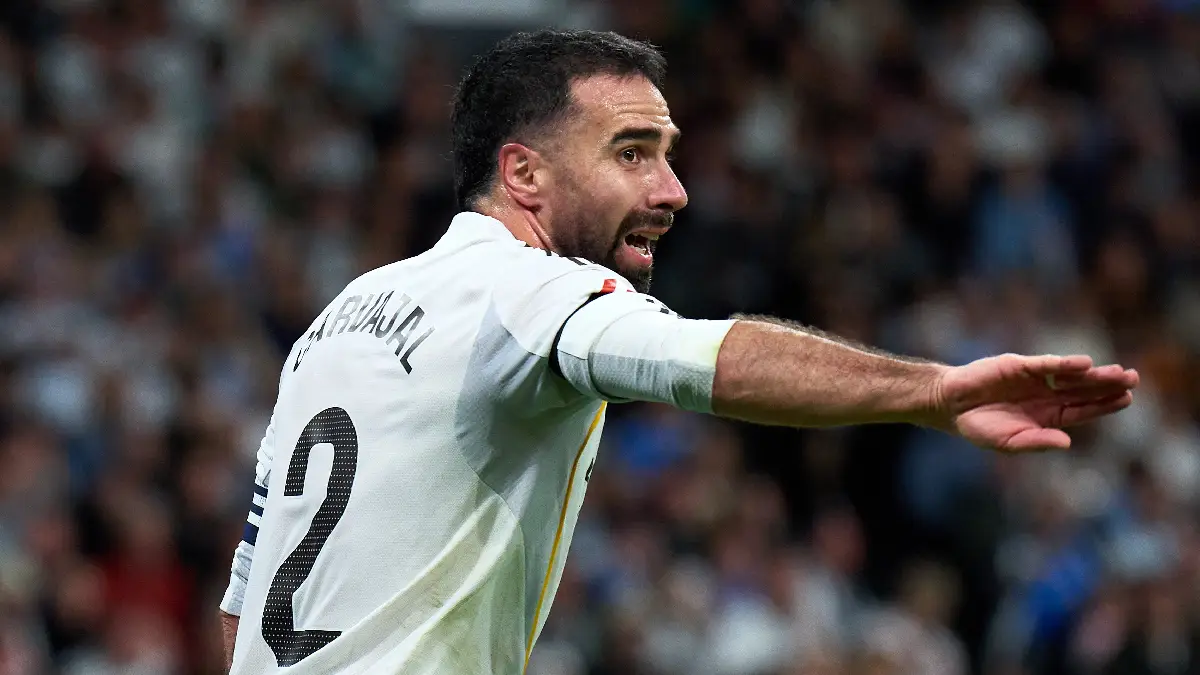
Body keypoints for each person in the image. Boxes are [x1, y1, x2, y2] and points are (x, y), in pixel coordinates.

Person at [217, 29, 1139, 674]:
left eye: (667, 152)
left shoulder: (341, 316)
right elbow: (700, 360)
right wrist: (930, 389)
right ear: (524, 173)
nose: (674, 188)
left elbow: (241, 611)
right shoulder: (529, 289)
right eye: (632, 153)